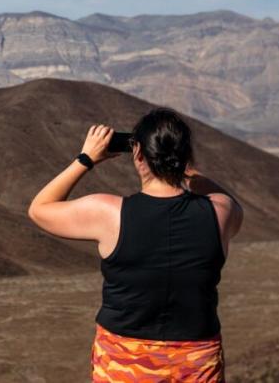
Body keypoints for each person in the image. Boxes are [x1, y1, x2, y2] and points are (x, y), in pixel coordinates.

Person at [27, 108, 243, 383]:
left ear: (138, 154)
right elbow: (227, 200)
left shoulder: (109, 213)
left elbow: (39, 209)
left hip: (124, 362)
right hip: (197, 364)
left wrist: (87, 158)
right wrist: (186, 168)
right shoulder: (220, 213)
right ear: (185, 156)